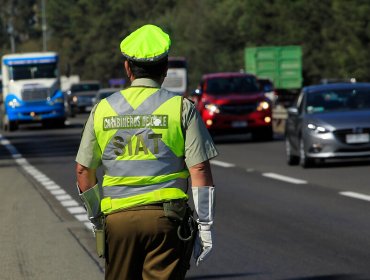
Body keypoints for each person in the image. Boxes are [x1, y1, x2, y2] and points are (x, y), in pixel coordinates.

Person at [75, 24, 218, 280]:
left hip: (117, 220)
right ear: (165, 69)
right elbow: (198, 168)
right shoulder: (181, 108)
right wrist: (204, 225)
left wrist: (98, 220)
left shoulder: (102, 110)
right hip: (166, 221)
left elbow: (84, 171)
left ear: (127, 68)